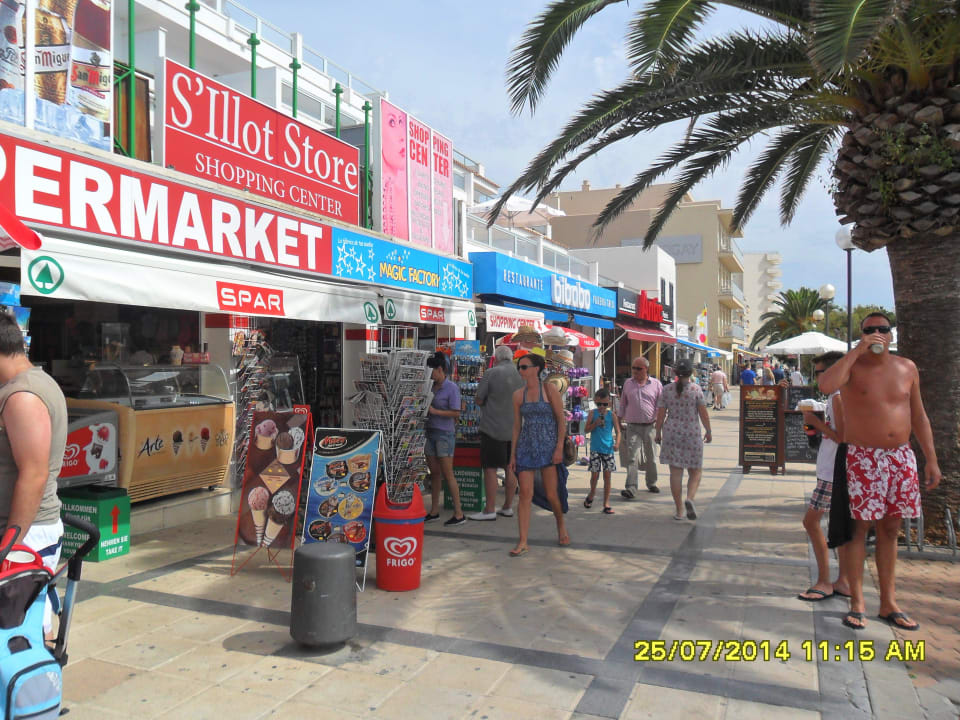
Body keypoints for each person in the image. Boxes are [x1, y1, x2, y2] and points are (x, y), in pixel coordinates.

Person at [818, 313, 941, 631]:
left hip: (900, 457)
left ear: (891, 334)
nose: (876, 334)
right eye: (869, 330)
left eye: (882, 329)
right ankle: (857, 602)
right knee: (859, 530)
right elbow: (825, 385)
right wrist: (857, 351)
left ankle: (888, 603)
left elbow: (919, 416)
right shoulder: (851, 368)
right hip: (863, 458)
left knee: (889, 530)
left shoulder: (906, 368)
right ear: (862, 334)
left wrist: (931, 459)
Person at [0, 313, 68, 636]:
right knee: (24, 630)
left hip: (24, 536)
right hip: (29, 533)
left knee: (19, 636)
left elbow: (34, 475)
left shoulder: (22, 395)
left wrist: (8, 548)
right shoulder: (33, 384)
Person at [797, 351, 851, 602]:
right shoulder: (837, 396)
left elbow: (843, 437)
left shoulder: (838, 396)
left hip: (833, 472)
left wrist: (816, 424)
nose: (816, 378)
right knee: (839, 527)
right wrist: (816, 428)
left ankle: (824, 580)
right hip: (831, 469)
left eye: (818, 372)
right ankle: (843, 581)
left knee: (811, 522)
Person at [508, 348, 569, 555]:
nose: (520, 370)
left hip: (548, 446)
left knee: (552, 494)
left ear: (536, 369)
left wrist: (559, 447)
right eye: (519, 367)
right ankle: (523, 541)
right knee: (525, 494)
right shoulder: (518, 395)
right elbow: (516, 426)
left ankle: (560, 523)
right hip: (526, 446)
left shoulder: (550, 390)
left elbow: (561, 420)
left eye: (524, 367)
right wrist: (512, 455)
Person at [655, 359, 712, 521]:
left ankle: (679, 510)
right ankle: (690, 498)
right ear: (691, 372)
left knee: (676, 472)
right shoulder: (696, 389)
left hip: (672, 432)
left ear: (674, 373)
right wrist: (708, 430)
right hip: (691, 433)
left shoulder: (666, 390)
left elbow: (661, 414)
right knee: (695, 470)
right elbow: (703, 413)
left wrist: (658, 432)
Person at [470, 345, 522, 521]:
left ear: (496, 358)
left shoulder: (491, 373)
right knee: (510, 468)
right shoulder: (520, 374)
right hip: (515, 429)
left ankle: (490, 509)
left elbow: (478, 399)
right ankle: (507, 506)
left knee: (490, 468)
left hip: (493, 428)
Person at [423, 351, 465, 526]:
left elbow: (456, 413)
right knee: (434, 474)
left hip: (444, 434)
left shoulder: (452, 388)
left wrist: (435, 411)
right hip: (430, 432)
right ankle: (434, 510)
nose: (430, 375)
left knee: (448, 474)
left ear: (440, 370)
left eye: (432, 372)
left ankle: (459, 513)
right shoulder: (430, 386)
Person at [618, 356, 662, 498]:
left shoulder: (656, 384)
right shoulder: (628, 384)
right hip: (632, 426)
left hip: (650, 426)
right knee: (632, 457)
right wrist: (618, 420)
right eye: (633, 368)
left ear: (646, 369)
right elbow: (623, 403)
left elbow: (660, 406)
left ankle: (651, 482)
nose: (635, 371)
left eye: (639, 368)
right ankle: (631, 487)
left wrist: (659, 424)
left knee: (651, 457)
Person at [584, 388, 621, 514]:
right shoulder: (592, 414)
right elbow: (586, 430)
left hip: (608, 449)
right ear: (595, 402)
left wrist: (617, 443)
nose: (602, 407)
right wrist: (595, 423)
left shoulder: (612, 415)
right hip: (595, 449)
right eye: (599, 404)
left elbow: (618, 431)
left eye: (605, 404)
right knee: (594, 475)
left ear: (609, 403)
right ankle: (592, 493)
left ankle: (606, 502)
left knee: (607, 476)